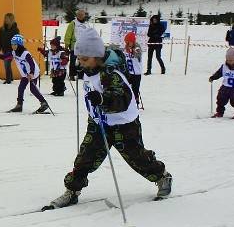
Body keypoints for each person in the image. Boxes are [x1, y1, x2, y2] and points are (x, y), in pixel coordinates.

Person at [47, 29, 172, 208]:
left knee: (137, 158)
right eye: (79, 59)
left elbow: (122, 99)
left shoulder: (112, 74)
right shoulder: (89, 70)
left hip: (124, 124)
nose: (80, 63)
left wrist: (103, 99)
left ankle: (162, 176)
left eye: (84, 59)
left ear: (97, 57)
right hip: (99, 123)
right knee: (85, 158)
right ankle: (72, 190)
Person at [0, 34, 50, 113]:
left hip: (33, 72)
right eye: (12, 44)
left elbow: (32, 63)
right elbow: (4, 57)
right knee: (21, 88)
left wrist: (32, 73)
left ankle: (44, 103)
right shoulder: (14, 52)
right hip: (25, 73)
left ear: (19, 44)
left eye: (15, 44)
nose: (13, 46)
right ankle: (19, 105)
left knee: (33, 89)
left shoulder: (25, 53)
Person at [63, 9, 91, 81]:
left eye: (82, 15)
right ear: (77, 15)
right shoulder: (73, 23)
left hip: (84, 46)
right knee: (73, 61)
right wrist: (66, 45)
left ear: (84, 15)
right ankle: (72, 74)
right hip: (74, 46)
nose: (81, 16)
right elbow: (68, 34)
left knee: (83, 61)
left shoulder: (87, 24)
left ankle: (81, 74)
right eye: (79, 15)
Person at [0, 13, 20, 84]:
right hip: (4, 49)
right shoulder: (2, 29)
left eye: (8, 18)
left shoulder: (15, 30)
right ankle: (11, 77)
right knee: (7, 64)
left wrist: (17, 49)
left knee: (7, 63)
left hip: (12, 50)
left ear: (11, 20)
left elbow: (18, 40)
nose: (6, 20)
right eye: (5, 18)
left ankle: (8, 79)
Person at [123, 32, 143, 106]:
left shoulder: (137, 48)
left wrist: (131, 51)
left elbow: (138, 54)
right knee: (125, 87)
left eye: (127, 42)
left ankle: (136, 102)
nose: (126, 43)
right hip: (128, 72)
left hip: (136, 73)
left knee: (135, 89)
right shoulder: (126, 48)